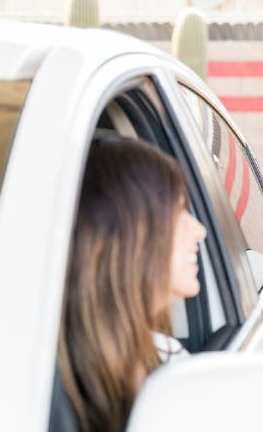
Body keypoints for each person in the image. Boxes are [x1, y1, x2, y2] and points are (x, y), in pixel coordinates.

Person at [57, 136, 207, 432]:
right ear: (130, 238)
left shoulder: (159, 360)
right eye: (178, 211)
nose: (200, 230)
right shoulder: (167, 376)